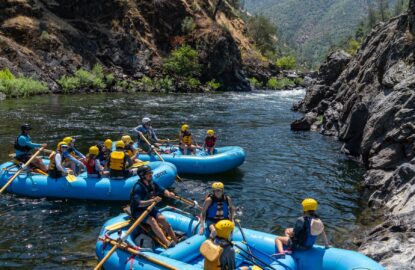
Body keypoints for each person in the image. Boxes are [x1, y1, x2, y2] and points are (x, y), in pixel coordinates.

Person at [130, 165, 178, 247]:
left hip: (150, 207)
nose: (151, 174)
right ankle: (167, 242)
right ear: (142, 176)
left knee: (162, 219)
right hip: (138, 210)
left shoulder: (152, 183)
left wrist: (169, 194)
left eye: (151, 172)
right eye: (149, 173)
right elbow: (138, 203)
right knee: (152, 221)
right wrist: (152, 200)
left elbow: (163, 190)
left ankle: (176, 240)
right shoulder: (138, 187)